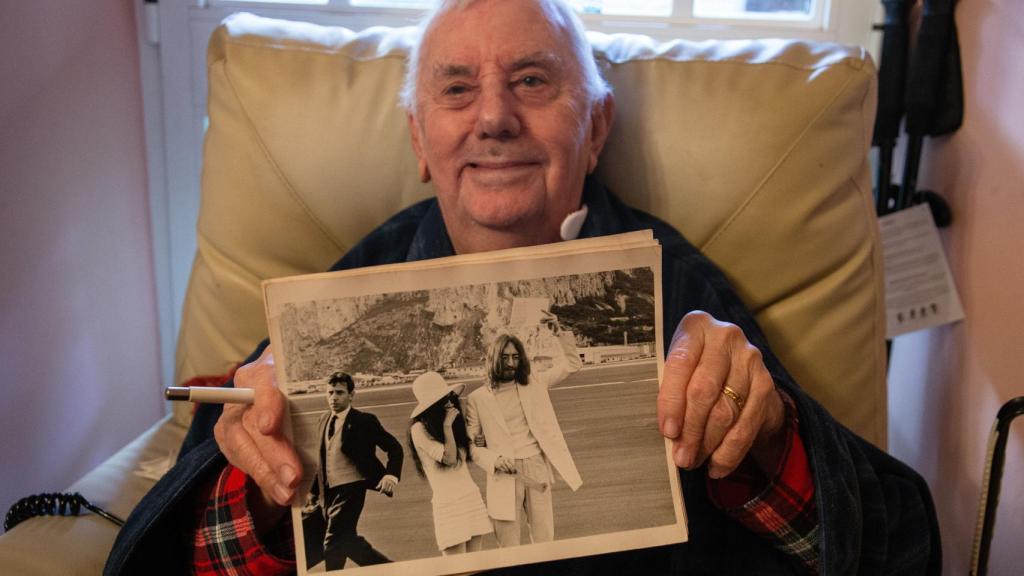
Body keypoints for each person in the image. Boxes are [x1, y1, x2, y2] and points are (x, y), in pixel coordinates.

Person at [105, 0, 940, 574]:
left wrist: (760, 439)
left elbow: (882, 544)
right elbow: (170, 557)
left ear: (597, 126)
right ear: (420, 141)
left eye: (534, 81)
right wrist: (263, 486)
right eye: (457, 88)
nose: (495, 117)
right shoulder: (342, 307)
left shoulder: (675, 293)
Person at [463, 318, 582, 546]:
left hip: (536, 466)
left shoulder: (534, 382)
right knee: (508, 546)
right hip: (503, 472)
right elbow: (473, 447)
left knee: (545, 539)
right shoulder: (477, 399)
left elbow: (572, 365)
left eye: (516, 357)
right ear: (494, 359)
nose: (511, 363)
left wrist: (559, 335)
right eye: (505, 357)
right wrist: (494, 459)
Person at [303, 371, 402, 570]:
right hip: (328, 492)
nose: (334, 398)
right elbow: (323, 461)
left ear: (351, 395)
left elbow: (394, 448)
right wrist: (312, 492)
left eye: (339, 392)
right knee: (348, 541)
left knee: (332, 543)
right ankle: (392, 570)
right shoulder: (323, 420)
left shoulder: (364, 421)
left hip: (352, 488)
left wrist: (390, 476)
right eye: (330, 393)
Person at [407, 371, 493, 555]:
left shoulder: (452, 423)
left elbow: (469, 451)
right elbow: (449, 458)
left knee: (477, 563)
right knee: (457, 567)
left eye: (449, 396)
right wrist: (447, 426)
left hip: (470, 497)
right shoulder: (419, 430)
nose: (450, 402)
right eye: (444, 399)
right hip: (449, 505)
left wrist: (480, 441)